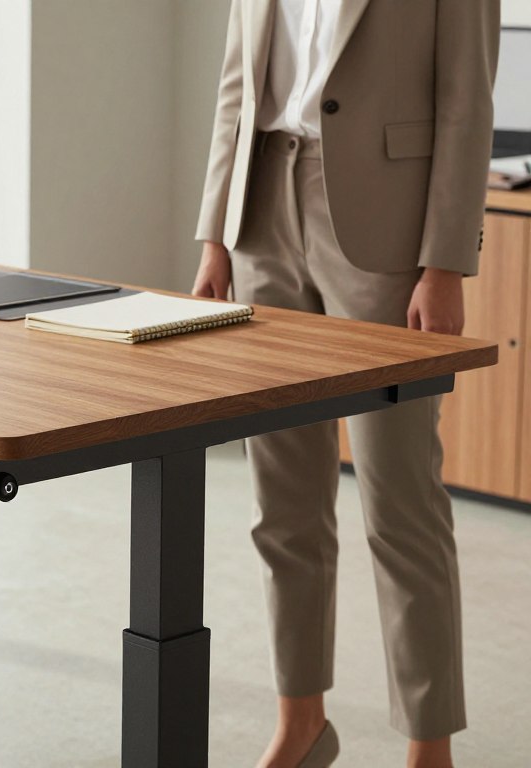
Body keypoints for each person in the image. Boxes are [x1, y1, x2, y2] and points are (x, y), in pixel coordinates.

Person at [192, 1, 499, 766]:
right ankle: (301, 725)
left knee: (401, 500)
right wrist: (214, 236)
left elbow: (467, 103)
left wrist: (446, 261)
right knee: (283, 499)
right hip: (263, 214)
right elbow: (238, 86)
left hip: (386, 232)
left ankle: (431, 749)